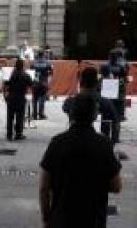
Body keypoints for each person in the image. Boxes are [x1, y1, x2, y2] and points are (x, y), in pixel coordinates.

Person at [39, 95, 122, 228]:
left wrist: (46, 218)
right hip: (93, 220)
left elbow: (44, 188)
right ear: (95, 116)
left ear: (70, 115)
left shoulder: (57, 142)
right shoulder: (104, 144)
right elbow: (116, 186)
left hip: (62, 220)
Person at [64, 66, 119, 143]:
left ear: (80, 83)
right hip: (100, 144)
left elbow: (65, 109)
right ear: (97, 83)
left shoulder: (70, 102)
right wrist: (112, 142)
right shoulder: (106, 102)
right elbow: (115, 122)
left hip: (74, 140)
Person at [4, 58, 33, 141]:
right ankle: (18, 134)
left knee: (10, 117)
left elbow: (6, 84)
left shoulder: (11, 74)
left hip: (11, 97)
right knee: (20, 117)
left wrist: (5, 96)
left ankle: (9, 134)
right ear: (22, 66)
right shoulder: (25, 75)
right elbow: (31, 84)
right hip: (20, 97)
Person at [32, 49, 53, 120]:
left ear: (38, 54)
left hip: (35, 82)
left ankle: (34, 115)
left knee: (35, 99)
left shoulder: (34, 62)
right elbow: (51, 73)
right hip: (44, 82)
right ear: (43, 54)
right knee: (42, 98)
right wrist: (48, 81)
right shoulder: (48, 62)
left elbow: (31, 72)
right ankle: (41, 114)